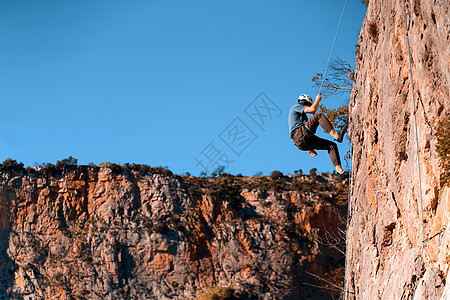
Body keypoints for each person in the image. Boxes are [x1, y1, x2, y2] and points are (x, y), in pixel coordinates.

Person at [289, 93, 348, 178]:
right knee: (319, 115)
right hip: (299, 134)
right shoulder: (296, 107)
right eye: (308, 105)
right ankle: (336, 135)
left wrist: (308, 149)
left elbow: (306, 133)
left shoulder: (302, 117)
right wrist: (317, 100)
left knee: (331, 146)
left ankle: (340, 172)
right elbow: (313, 110)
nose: (308, 106)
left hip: (301, 141)